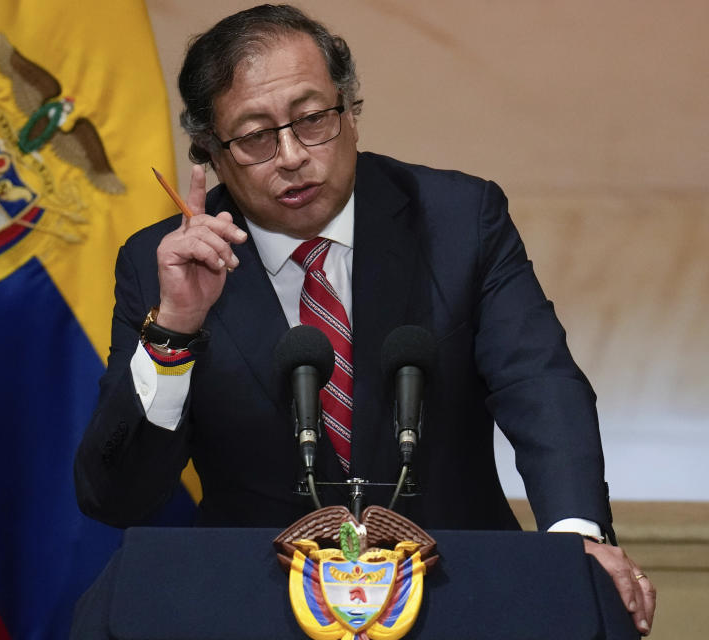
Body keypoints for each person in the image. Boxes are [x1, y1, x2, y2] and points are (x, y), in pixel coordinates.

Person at [74, 4, 655, 634]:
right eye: (255, 137)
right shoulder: (161, 265)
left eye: (312, 119)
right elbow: (115, 495)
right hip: (254, 606)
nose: (292, 156)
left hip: (464, 597)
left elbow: (538, 383)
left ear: (350, 111)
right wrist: (175, 332)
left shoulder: (460, 219)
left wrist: (577, 539)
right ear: (210, 152)